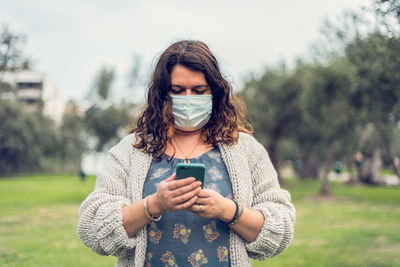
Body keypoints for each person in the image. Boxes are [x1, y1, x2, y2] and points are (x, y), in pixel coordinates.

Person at [78, 40, 295, 267]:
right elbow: (93, 227)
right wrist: (153, 205)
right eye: (178, 90)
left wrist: (228, 211)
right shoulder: (130, 151)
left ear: (215, 93)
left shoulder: (247, 150)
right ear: (163, 94)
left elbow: (280, 229)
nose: (189, 98)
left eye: (199, 91)